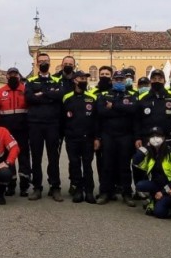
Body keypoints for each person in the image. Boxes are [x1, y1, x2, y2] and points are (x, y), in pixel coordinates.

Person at [24, 52, 64, 201]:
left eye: (45, 61)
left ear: (50, 63)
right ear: (36, 63)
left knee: (54, 158)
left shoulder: (56, 80)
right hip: (35, 124)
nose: (43, 63)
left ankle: (55, 187)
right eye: (40, 61)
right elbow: (29, 98)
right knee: (36, 157)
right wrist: (48, 95)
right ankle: (37, 188)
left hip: (52, 124)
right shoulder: (31, 81)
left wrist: (41, 94)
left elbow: (59, 96)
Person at [96, 69, 138, 205]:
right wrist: (122, 110)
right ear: (112, 81)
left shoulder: (131, 95)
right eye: (117, 79)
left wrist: (113, 106)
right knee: (106, 165)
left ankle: (127, 193)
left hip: (125, 136)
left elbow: (133, 110)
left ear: (125, 81)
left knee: (125, 166)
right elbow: (101, 112)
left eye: (121, 80)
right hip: (108, 135)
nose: (119, 81)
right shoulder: (104, 95)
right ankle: (105, 192)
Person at [62, 71, 98, 203]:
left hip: (88, 138)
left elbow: (96, 120)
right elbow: (62, 118)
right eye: (81, 78)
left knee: (87, 165)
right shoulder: (67, 97)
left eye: (85, 79)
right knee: (75, 164)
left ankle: (89, 191)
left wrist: (96, 138)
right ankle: (78, 190)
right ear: (74, 80)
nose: (84, 81)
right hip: (72, 138)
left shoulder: (92, 97)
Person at [0, 67, 29, 196]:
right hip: (6, 132)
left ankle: (24, 186)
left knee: (24, 157)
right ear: (6, 76)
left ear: (18, 76)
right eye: (10, 74)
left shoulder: (25, 90)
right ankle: (10, 185)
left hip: (23, 130)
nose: (13, 76)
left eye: (15, 74)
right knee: (9, 157)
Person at [132, 127, 171, 218]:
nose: (155, 138)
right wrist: (144, 149)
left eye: (158, 136)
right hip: (156, 184)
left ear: (164, 138)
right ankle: (153, 200)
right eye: (152, 136)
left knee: (159, 213)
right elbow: (135, 162)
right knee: (140, 185)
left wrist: (163, 192)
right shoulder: (149, 152)